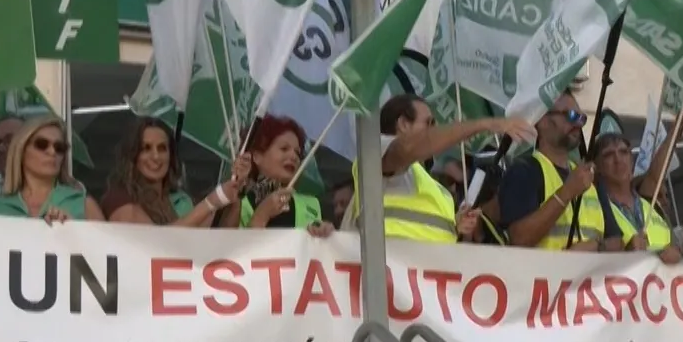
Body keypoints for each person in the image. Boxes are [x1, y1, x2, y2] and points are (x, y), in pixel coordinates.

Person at [367, 96, 530, 244]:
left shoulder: (437, 189)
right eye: (429, 123)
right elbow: (410, 147)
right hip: (387, 265)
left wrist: (456, 226)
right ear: (403, 124)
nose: (435, 129)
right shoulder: (376, 154)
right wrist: (486, 124)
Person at [500, 91, 599, 250]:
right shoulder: (524, 172)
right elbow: (519, 239)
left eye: (581, 118)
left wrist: (597, 246)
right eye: (571, 115)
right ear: (542, 121)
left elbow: (616, 240)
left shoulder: (589, 176)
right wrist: (567, 192)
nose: (578, 124)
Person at [102, 117, 245, 227]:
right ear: (132, 155)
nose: (156, 156)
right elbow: (154, 242)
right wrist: (211, 202)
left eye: (162, 148)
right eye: (146, 148)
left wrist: (235, 189)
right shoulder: (119, 197)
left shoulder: (181, 200)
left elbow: (220, 238)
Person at [218, 115, 332, 235]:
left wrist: (325, 234)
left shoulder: (313, 206)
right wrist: (262, 215)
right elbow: (227, 244)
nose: (294, 157)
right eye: (284, 148)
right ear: (257, 156)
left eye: (298, 153)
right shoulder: (237, 205)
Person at [582, 133, 683, 262]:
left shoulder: (654, 208)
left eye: (623, 152)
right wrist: (626, 253)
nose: (618, 159)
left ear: (632, 160)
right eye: (608, 155)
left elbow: (678, 251)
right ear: (597, 166)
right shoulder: (593, 209)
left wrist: (676, 254)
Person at [0, 115, 102, 222]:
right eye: (42, 144)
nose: (52, 152)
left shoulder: (84, 204)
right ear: (21, 150)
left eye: (59, 147)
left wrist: (73, 229)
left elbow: (105, 240)